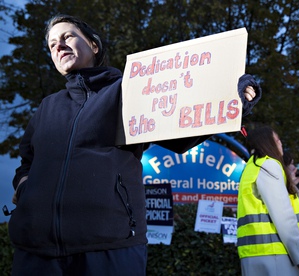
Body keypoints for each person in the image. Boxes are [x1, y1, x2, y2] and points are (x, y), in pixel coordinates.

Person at [8, 14, 261, 275]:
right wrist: (24, 185)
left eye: (67, 36)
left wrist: (232, 98)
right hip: (35, 253)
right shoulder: (47, 107)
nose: (58, 46)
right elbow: (27, 161)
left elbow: (182, 132)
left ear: (94, 45)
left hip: (109, 248)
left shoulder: (128, 91)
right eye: (51, 44)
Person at [236, 126, 299, 275]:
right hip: (276, 256)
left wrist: (290, 184)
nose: (281, 145)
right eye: (278, 141)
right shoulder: (269, 165)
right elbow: (282, 214)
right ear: (268, 143)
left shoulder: (251, 168)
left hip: (254, 254)